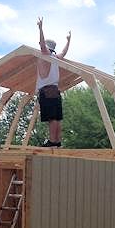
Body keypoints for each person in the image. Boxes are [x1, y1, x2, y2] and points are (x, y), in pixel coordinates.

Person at [36, 17, 71, 147]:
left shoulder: (45, 55)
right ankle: (57, 141)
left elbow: (41, 43)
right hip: (55, 90)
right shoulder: (56, 58)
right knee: (56, 117)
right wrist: (68, 41)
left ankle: (52, 141)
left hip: (46, 90)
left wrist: (40, 28)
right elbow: (64, 52)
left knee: (51, 118)